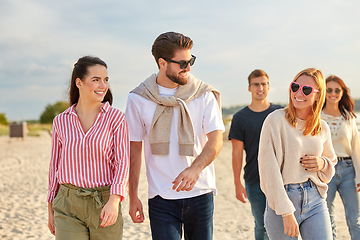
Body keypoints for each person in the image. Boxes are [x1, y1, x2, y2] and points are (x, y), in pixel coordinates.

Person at [125, 31, 224, 240]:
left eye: (191, 61)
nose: (188, 68)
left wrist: (195, 169)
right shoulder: (138, 98)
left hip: (201, 194)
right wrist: (133, 196)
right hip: (161, 197)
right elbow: (134, 150)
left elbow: (216, 139)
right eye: (182, 63)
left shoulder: (203, 94)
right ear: (162, 63)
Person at [47, 56, 129, 239]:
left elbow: (122, 162)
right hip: (67, 204)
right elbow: (54, 166)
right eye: (96, 79)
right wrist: (50, 207)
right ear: (79, 82)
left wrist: (114, 200)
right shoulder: (61, 121)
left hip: (104, 202)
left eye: (105, 80)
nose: (103, 85)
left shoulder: (115, 118)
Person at [258, 68, 337, 239]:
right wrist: (285, 211)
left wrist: (323, 163)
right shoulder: (275, 120)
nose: (298, 93)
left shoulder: (322, 127)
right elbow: (268, 170)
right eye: (295, 87)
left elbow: (331, 162)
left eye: (306, 90)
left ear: (318, 95)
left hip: (315, 199)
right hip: (282, 198)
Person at [228, 69, 282, 240]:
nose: (260, 88)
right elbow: (236, 154)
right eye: (256, 84)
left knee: (283, 223)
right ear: (249, 87)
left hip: (282, 178)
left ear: (268, 86)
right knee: (261, 225)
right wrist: (237, 183)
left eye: (264, 84)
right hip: (254, 179)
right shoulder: (240, 117)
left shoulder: (280, 113)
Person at [321, 75, 360, 240]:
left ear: (342, 92)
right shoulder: (316, 117)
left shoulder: (349, 117)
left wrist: (359, 175)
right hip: (324, 170)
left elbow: (356, 148)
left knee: (354, 219)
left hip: (348, 171)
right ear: (323, 92)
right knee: (327, 219)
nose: (333, 93)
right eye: (329, 89)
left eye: (337, 90)